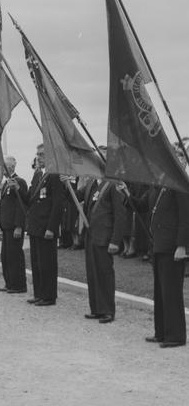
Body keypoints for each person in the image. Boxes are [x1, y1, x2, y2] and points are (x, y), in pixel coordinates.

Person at [129, 144, 189, 348]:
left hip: (173, 247)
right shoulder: (158, 184)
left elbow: (185, 218)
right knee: (161, 292)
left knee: (171, 292)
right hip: (158, 245)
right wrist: (126, 194)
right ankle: (161, 332)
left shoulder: (181, 184)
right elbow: (143, 205)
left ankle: (176, 336)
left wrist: (182, 246)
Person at [74, 147, 127, 324]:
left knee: (105, 274)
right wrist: (68, 182)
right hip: (91, 236)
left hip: (105, 237)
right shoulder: (92, 183)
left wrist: (115, 240)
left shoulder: (113, 183)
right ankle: (96, 308)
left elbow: (121, 215)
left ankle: (107, 310)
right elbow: (75, 197)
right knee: (93, 273)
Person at [25, 143, 64, 306]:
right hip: (35, 226)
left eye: (41, 154)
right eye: (37, 154)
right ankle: (39, 293)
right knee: (36, 262)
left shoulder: (54, 175)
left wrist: (51, 228)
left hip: (46, 227)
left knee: (47, 263)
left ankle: (49, 295)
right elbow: (30, 200)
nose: (38, 157)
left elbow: (57, 204)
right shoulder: (38, 176)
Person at [0, 156, 28, 293]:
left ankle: (19, 285)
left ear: (11, 167)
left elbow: (21, 205)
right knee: (6, 256)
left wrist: (19, 226)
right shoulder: (6, 183)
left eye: (5, 167)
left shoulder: (19, 181)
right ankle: (9, 282)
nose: (2, 169)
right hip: (6, 225)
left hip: (14, 226)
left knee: (15, 256)